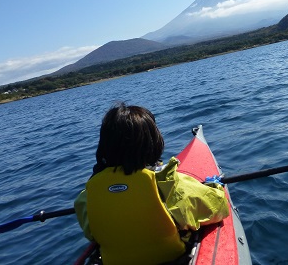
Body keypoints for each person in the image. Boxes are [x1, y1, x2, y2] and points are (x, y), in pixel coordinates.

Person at [74, 103, 229, 265]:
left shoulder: (87, 196)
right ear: (153, 141)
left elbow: (91, 233)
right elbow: (219, 207)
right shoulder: (167, 185)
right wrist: (215, 186)